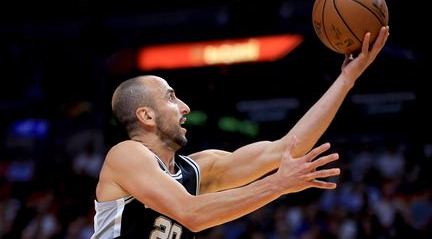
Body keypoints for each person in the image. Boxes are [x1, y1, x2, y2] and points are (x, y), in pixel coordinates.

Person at [91, 26, 390, 238]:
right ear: (145, 115)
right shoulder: (125, 155)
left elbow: (286, 148)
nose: (185, 107)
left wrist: (347, 79)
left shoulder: (198, 170)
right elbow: (191, 214)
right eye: (171, 97)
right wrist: (278, 185)